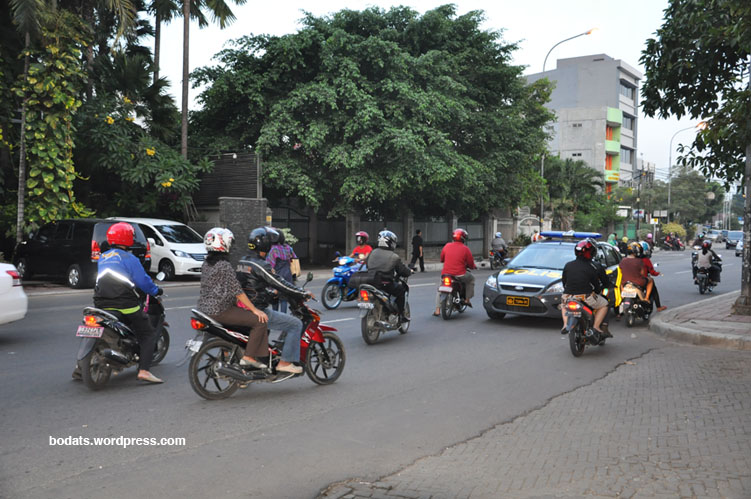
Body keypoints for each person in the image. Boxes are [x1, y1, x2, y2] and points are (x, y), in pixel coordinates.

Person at [86, 222, 165, 384]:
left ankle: (80, 369)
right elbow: (143, 282)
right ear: (128, 238)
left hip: (100, 304)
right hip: (125, 305)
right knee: (147, 334)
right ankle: (144, 371)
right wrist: (156, 291)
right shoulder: (130, 258)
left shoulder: (103, 257)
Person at [238, 226, 313, 375]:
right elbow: (280, 283)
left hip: (242, 307)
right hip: (257, 309)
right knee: (295, 324)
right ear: (265, 245)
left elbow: (249, 286)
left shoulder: (242, 262)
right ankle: (285, 362)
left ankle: (263, 359)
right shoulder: (260, 265)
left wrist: (270, 293)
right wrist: (301, 293)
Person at [197, 227, 269, 370]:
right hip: (220, 310)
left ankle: (229, 351)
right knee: (260, 321)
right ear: (223, 244)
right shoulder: (224, 265)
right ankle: (249, 357)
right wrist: (255, 310)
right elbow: (238, 292)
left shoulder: (206, 264)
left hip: (204, 309)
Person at [561, 239, 611, 336]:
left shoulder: (568, 265)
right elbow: (597, 285)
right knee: (605, 304)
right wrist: (598, 290)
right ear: (592, 252)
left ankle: (564, 325)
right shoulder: (592, 267)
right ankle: (596, 327)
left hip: (568, 296)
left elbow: (564, 282)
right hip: (586, 297)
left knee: (564, 305)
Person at [365, 229, 412, 322]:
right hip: (385, 283)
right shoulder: (394, 256)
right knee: (400, 291)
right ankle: (401, 315)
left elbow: (367, 266)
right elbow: (402, 271)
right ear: (391, 243)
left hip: (370, 281)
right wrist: (409, 271)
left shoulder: (372, 253)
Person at [434, 228, 477, 316]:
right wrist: (473, 267)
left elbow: (442, 259)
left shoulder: (447, 246)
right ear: (464, 238)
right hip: (460, 274)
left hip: (446, 274)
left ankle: (437, 310)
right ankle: (467, 300)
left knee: (440, 288)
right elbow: (471, 264)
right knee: (471, 279)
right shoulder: (465, 249)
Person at [266, 229, 297, 313]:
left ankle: (276, 319)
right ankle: (284, 317)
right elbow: (294, 258)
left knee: (275, 299)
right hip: (287, 276)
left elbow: (269, 264)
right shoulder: (288, 248)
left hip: (277, 277)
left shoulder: (273, 249)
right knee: (284, 299)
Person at [639, 241, 667, 312]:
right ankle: (658, 306)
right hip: (642, 280)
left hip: (630, 280)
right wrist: (658, 273)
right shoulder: (646, 260)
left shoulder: (631, 259)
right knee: (653, 289)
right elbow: (652, 272)